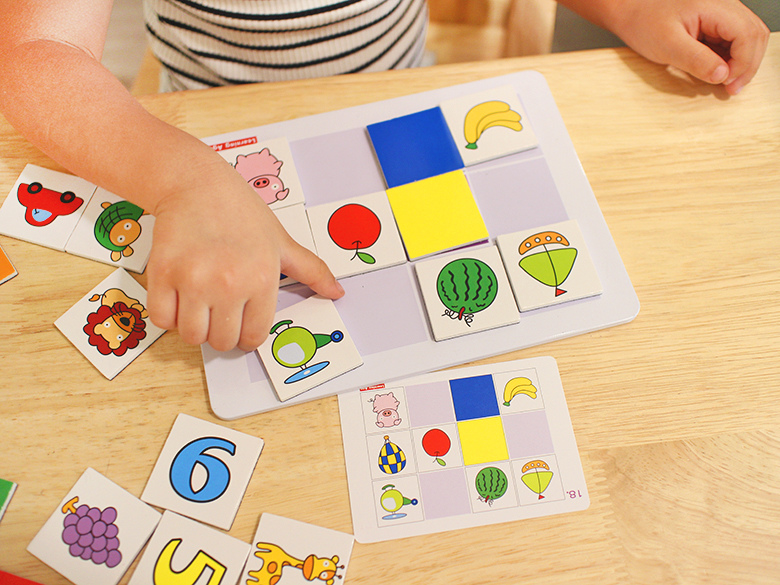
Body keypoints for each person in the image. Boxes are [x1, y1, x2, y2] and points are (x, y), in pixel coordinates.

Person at [0, 0, 769, 353]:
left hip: (396, 128)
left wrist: (635, 7)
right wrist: (184, 181)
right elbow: (35, 55)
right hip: (208, 144)